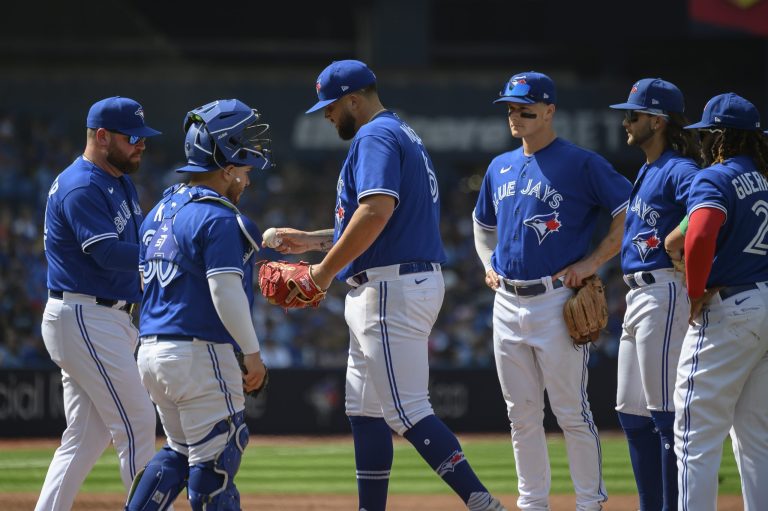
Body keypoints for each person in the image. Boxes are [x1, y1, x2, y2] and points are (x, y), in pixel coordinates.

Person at [267, 60, 506, 511]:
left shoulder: (374, 135)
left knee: (407, 410)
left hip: (389, 288)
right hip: (393, 280)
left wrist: (319, 273)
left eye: (331, 106)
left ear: (354, 100)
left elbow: (375, 213)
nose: (326, 115)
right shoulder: (401, 133)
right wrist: (314, 241)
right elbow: (382, 220)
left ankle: (483, 504)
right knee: (364, 410)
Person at [473, 71, 633, 511]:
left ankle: (588, 503)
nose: (516, 116)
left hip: (556, 300)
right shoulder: (498, 166)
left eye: (526, 109)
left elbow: (629, 210)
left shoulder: (581, 163)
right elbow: (481, 224)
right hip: (505, 302)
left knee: (571, 413)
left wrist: (593, 261)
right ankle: (533, 504)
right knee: (521, 415)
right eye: (510, 108)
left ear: (549, 111)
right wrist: (488, 264)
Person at [124, 99, 270, 510]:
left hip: (152, 350)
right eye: (243, 169)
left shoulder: (159, 211)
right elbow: (225, 291)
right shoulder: (218, 217)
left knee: (178, 453)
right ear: (225, 167)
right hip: (199, 353)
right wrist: (253, 355)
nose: (246, 179)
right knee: (217, 465)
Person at [37, 96, 161, 510]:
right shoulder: (82, 185)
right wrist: (170, 250)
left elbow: (140, 239)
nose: (141, 144)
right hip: (86, 314)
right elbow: (107, 253)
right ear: (102, 136)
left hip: (102, 315)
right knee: (138, 421)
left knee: (85, 437)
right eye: (133, 137)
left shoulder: (117, 179)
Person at [608, 78, 700, 510]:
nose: (626, 121)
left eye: (633, 114)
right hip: (639, 296)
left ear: (658, 121)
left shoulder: (681, 168)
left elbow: (706, 209)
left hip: (665, 291)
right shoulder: (649, 168)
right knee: (631, 412)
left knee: (666, 416)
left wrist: (680, 241)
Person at [675, 93, 768, 511]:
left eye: (706, 135)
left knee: (695, 435)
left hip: (733, 309)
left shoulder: (716, 177)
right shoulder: (766, 178)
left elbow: (698, 236)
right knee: (757, 438)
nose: (702, 144)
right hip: (765, 302)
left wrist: (695, 291)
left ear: (719, 137)